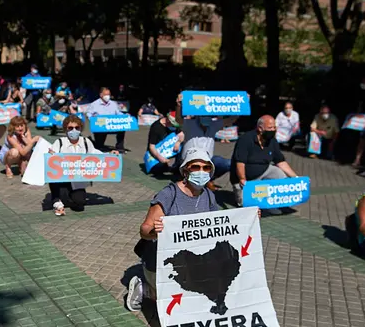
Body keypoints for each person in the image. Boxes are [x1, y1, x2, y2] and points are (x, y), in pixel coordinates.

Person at [127, 149, 220, 311]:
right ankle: (144, 288)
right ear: (185, 170)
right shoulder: (169, 194)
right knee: (173, 296)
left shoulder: (209, 195)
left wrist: (249, 217)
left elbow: (219, 226)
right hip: (162, 260)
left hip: (193, 258)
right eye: (195, 167)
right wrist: (154, 232)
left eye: (206, 168)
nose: (201, 172)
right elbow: (144, 230)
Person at [47, 115, 120, 216]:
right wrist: (51, 154)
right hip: (62, 179)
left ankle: (67, 195)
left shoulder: (86, 141)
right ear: (65, 129)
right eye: (70, 128)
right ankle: (57, 198)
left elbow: (95, 154)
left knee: (80, 203)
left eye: (77, 128)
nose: (74, 130)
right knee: (54, 178)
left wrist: (110, 155)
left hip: (77, 180)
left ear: (81, 128)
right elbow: (51, 159)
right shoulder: (59, 142)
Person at [231, 115, 300, 207]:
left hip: (264, 170)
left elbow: (281, 162)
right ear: (260, 128)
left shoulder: (272, 141)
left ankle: (273, 201)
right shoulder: (245, 139)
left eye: (274, 127)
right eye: (270, 128)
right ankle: (257, 195)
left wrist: (296, 178)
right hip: (245, 179)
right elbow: (240, 163)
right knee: (245, 204)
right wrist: (242, 179)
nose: (273, 130)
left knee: (279, 174)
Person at [173, 93, 232, 181]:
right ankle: (187, 176)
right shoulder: (190, 124)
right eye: (203, 115)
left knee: (228, 164)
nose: (206, 117)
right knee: (193, 177)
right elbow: (178, 119)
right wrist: (178, 106)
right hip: (190, 159)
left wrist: (243, 107)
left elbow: (230, 120)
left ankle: (209, 178)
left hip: (208, 159)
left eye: (208, 115)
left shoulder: (213, 125)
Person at [87, 87, 126, 152]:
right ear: (101, 95)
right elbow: (89, 114)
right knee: (99, 138)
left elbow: (118, 113)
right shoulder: (94, 104)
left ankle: (120, 147)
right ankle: (99, 146)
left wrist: (125, 116)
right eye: (106, 94)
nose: (107, 96)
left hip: (112, 124)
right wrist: (93, 120)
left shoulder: (113, 103)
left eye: (109, 94)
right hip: (101, 125)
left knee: (122, 128)